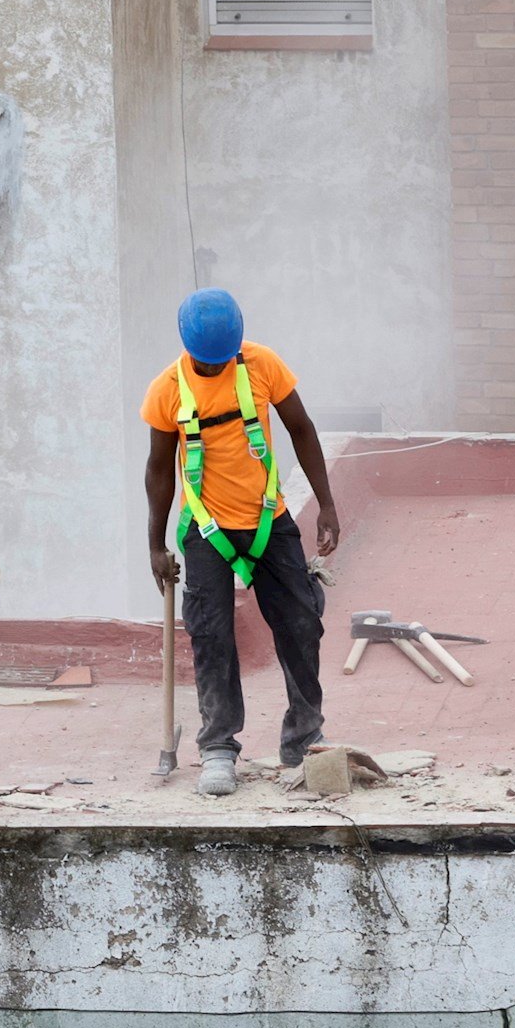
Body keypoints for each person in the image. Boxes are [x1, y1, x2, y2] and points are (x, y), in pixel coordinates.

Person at [141, 288, 343, 798]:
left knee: (301, 624)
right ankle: (217, 748)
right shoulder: (167, 390)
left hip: (267, 519)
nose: (217, 369)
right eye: (207, 364)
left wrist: (327, 503)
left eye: (223, 361)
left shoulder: (261, 365)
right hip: (206, 528)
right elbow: (159, 469)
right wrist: (156, 543)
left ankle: (304, 736)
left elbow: (301, 427)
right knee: (211, 636)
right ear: (190, 351)